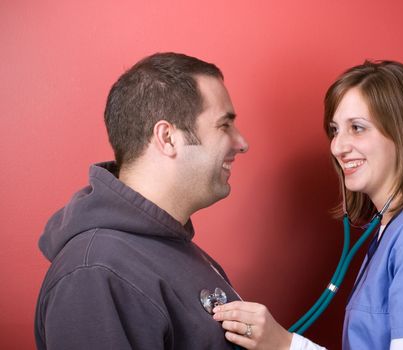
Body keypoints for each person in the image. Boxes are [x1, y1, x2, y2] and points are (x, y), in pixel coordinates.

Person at [212, 60, 403, 349]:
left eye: (357, 128)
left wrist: (286, 345)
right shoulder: (397, 226)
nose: (338, 147)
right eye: (335, 130)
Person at [34, 52, 249, 349]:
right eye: (225, 125)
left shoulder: (174, 249)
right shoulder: (95, 275)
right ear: (168, 137)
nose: (242, 143)